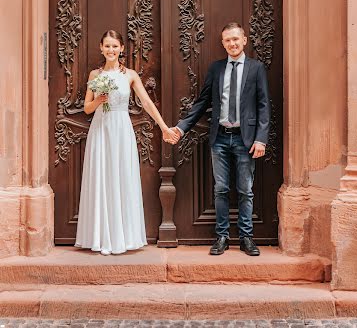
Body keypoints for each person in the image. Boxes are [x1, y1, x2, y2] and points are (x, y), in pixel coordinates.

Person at [75, 29, 179, 255]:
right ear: (101, 48)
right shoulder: (95, 75)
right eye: (107, 46)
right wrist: (99, 100)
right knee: (102, 177)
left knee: (121, 177)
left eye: (115, 46)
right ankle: (101, 237)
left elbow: (147, 102)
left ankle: (123, 237)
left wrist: (163, 127)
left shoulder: (130, 75)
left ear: (122, 48)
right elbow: (86, 108)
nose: (111, 50)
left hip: (122, 129)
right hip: (101, 129)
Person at [172, 22, 270, 256]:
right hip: (219, 139)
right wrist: (182, 127)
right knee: (221, 189)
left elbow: (264, 105)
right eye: (227, 40)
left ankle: (246, 238)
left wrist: (261, 139)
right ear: (223, 43)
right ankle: (222, 237)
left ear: (244, 40)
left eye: (236, 39)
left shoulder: (256, 68)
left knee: (246, 190)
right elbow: (203, 102)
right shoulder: (216, 69)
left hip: (245, 140)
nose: (232, 44)